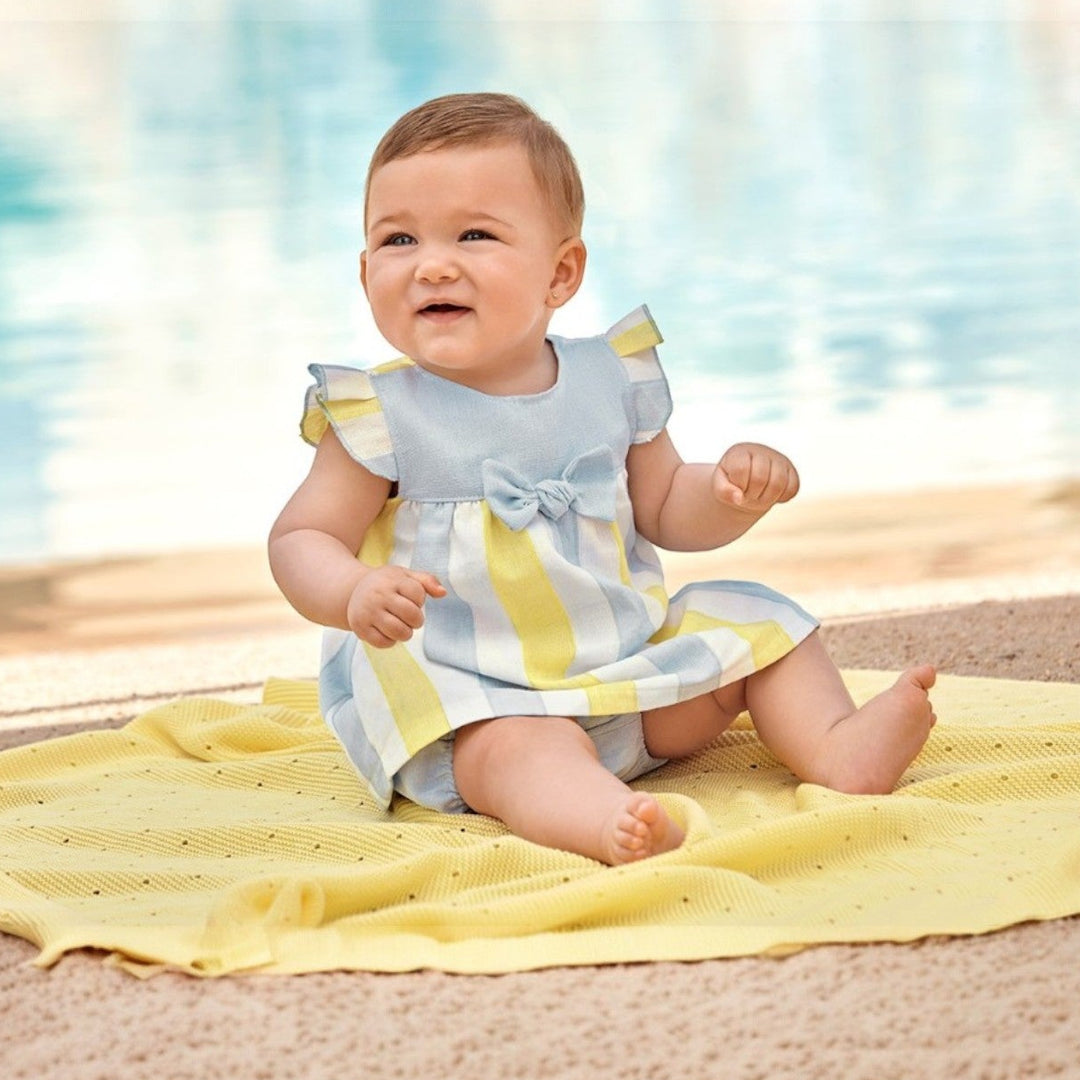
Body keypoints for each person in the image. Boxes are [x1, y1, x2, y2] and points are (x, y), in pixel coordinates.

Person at [269, 92, 936, 866]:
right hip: (477, 695)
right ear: (364, 271)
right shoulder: (378, 417)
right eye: (398, 239)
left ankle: (838, 748)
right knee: (520, 750)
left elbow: (664, 507)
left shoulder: (608, 380)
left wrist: (728, 491)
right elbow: (303, 536)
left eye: (475, 234)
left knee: (761, 619)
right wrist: (350, 590)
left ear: (561, 273)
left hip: (631, 680)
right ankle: (606, 819)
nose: (433, 263)